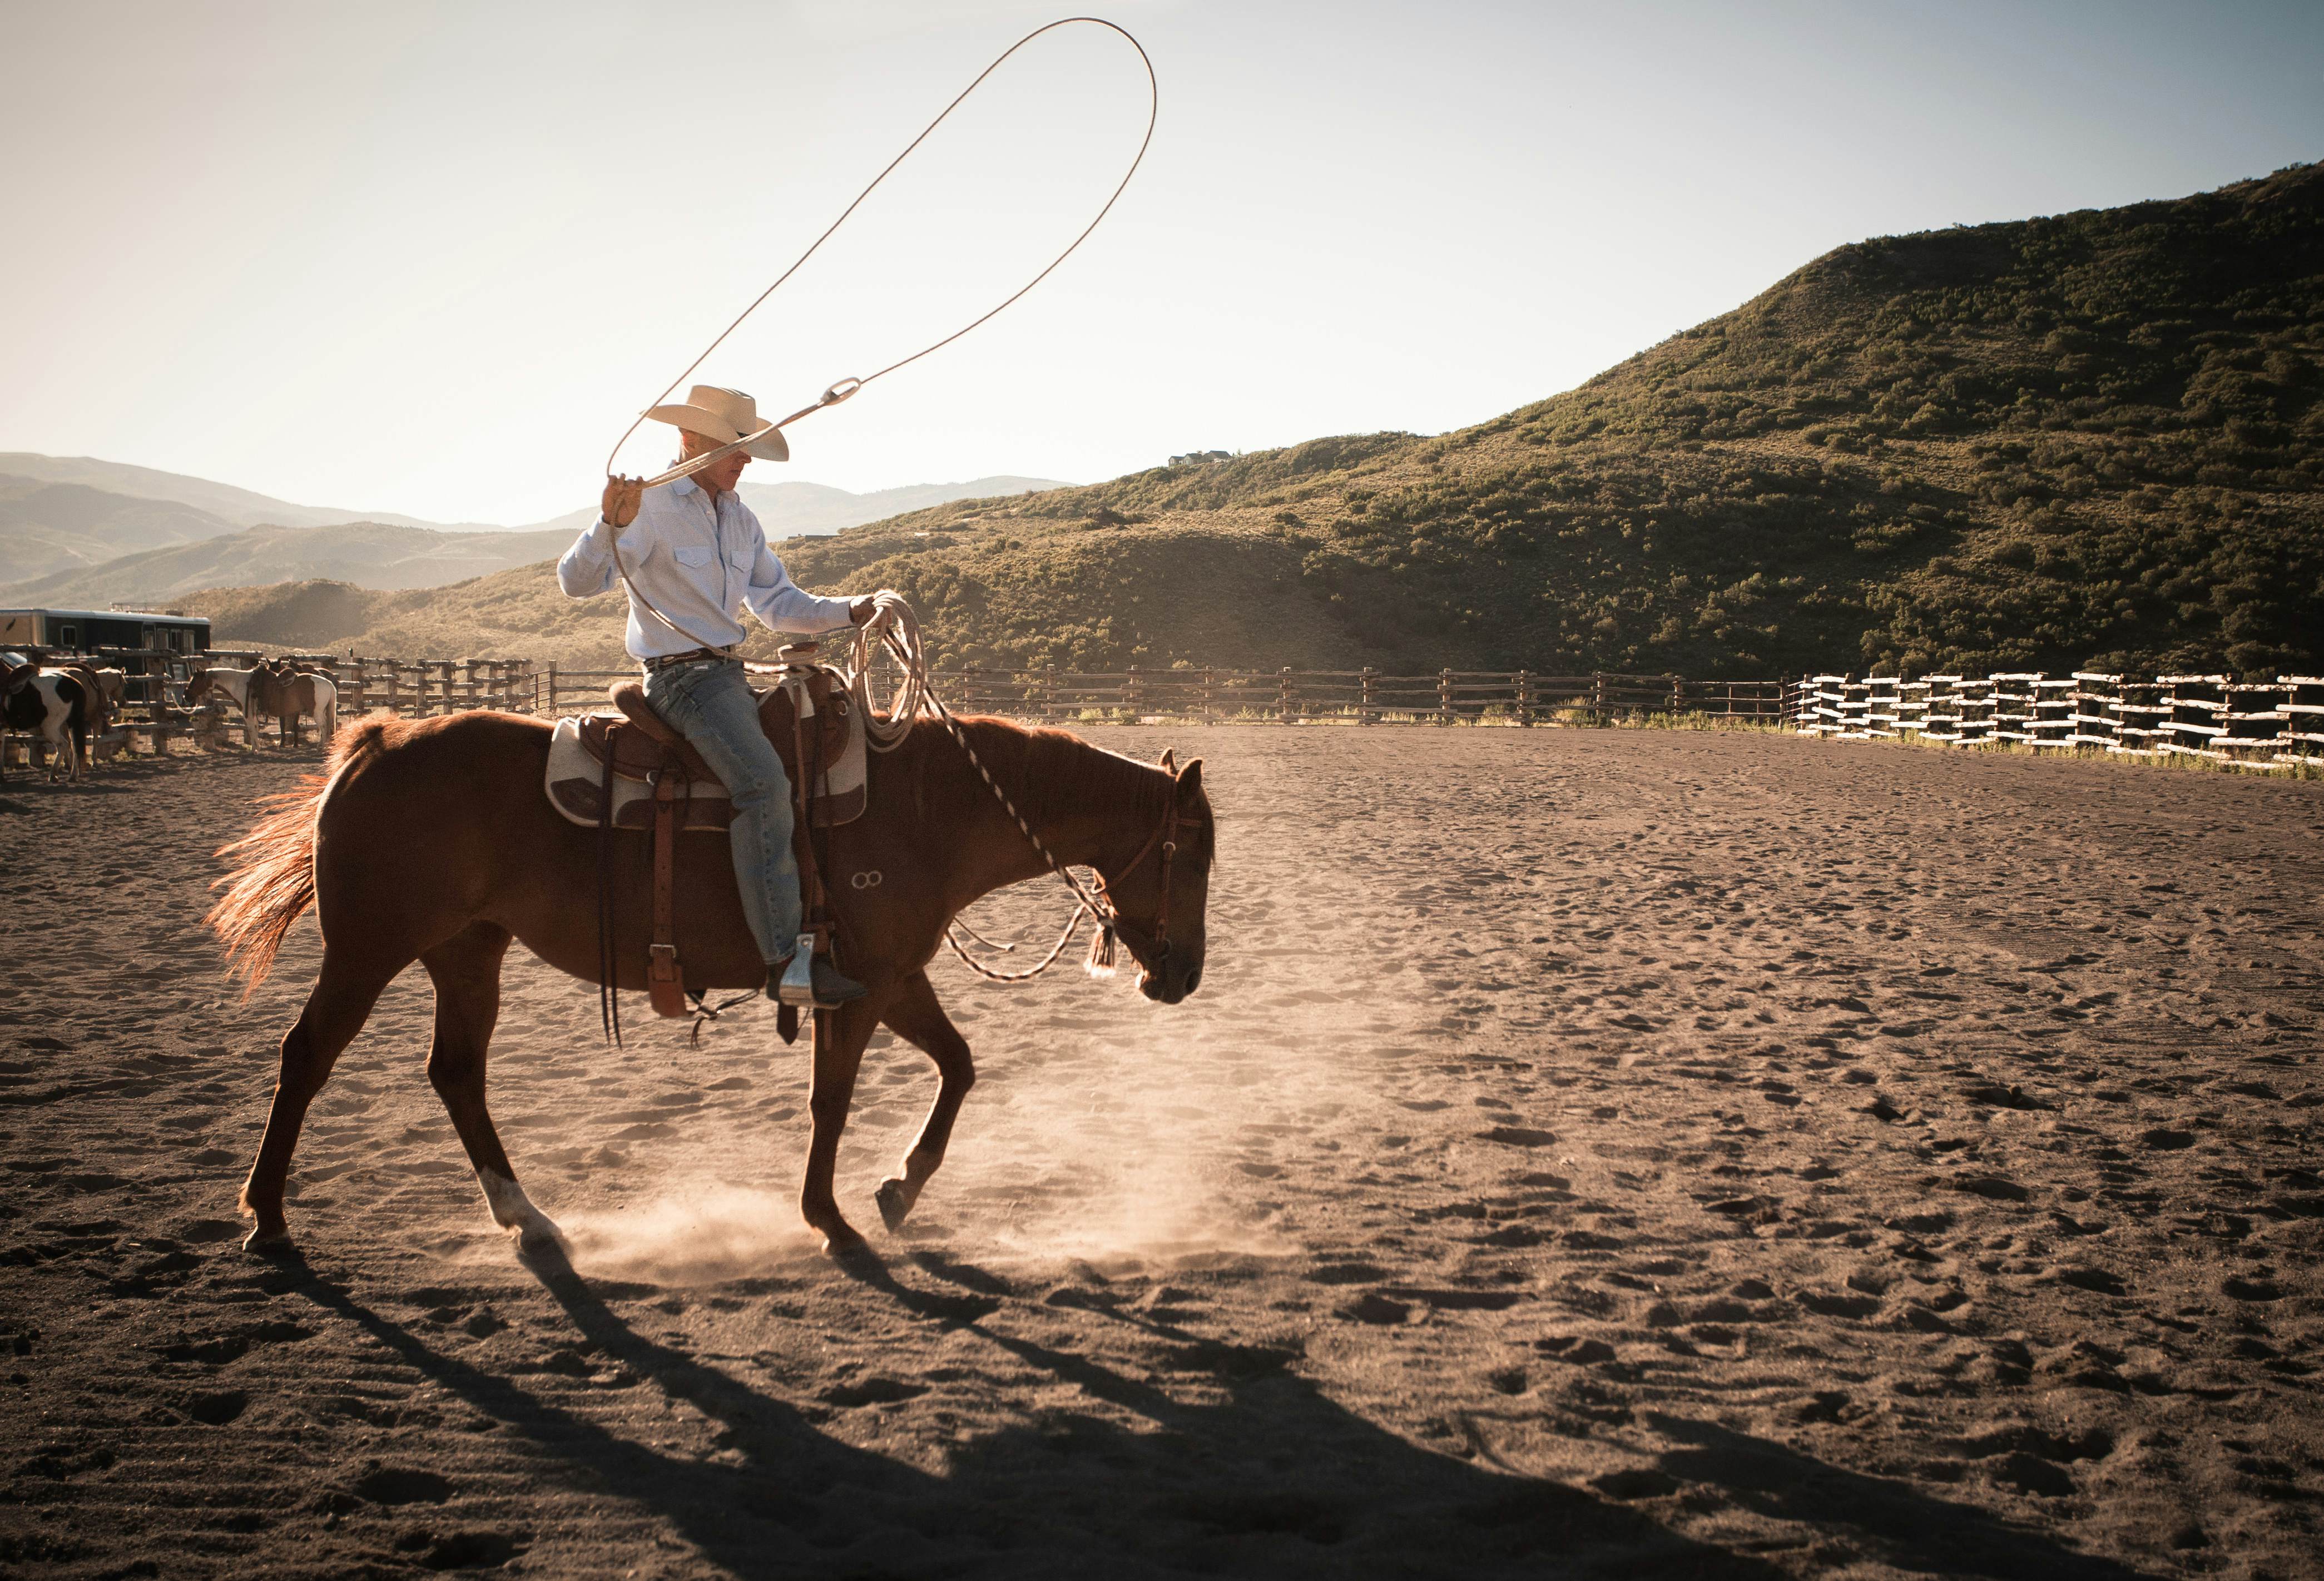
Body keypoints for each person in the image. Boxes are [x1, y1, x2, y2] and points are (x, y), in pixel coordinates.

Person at [559, 384, 875, 1006]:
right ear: (693, 442)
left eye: (749, 449)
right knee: (761, 783)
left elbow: (781, 605)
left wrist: (853, 610)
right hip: (682, 677)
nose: (746, 460)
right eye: (738, 447)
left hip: (729, 672)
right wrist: (607, 525)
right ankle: (786, 962)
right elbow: (578, 582)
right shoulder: (645, 508)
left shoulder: (740, 518)